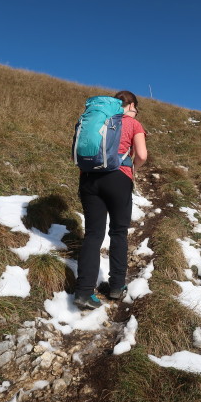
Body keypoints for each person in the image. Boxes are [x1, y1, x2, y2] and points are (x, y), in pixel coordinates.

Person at [73, 90, 147, 310]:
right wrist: (132, 168)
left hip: (88, 179)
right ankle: (116, 286)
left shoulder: (94, 118)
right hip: (118, 178)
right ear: (131, 104)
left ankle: (84, 292)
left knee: (93, 234)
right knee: (118, 232)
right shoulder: (133, 124)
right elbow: (141, 155)